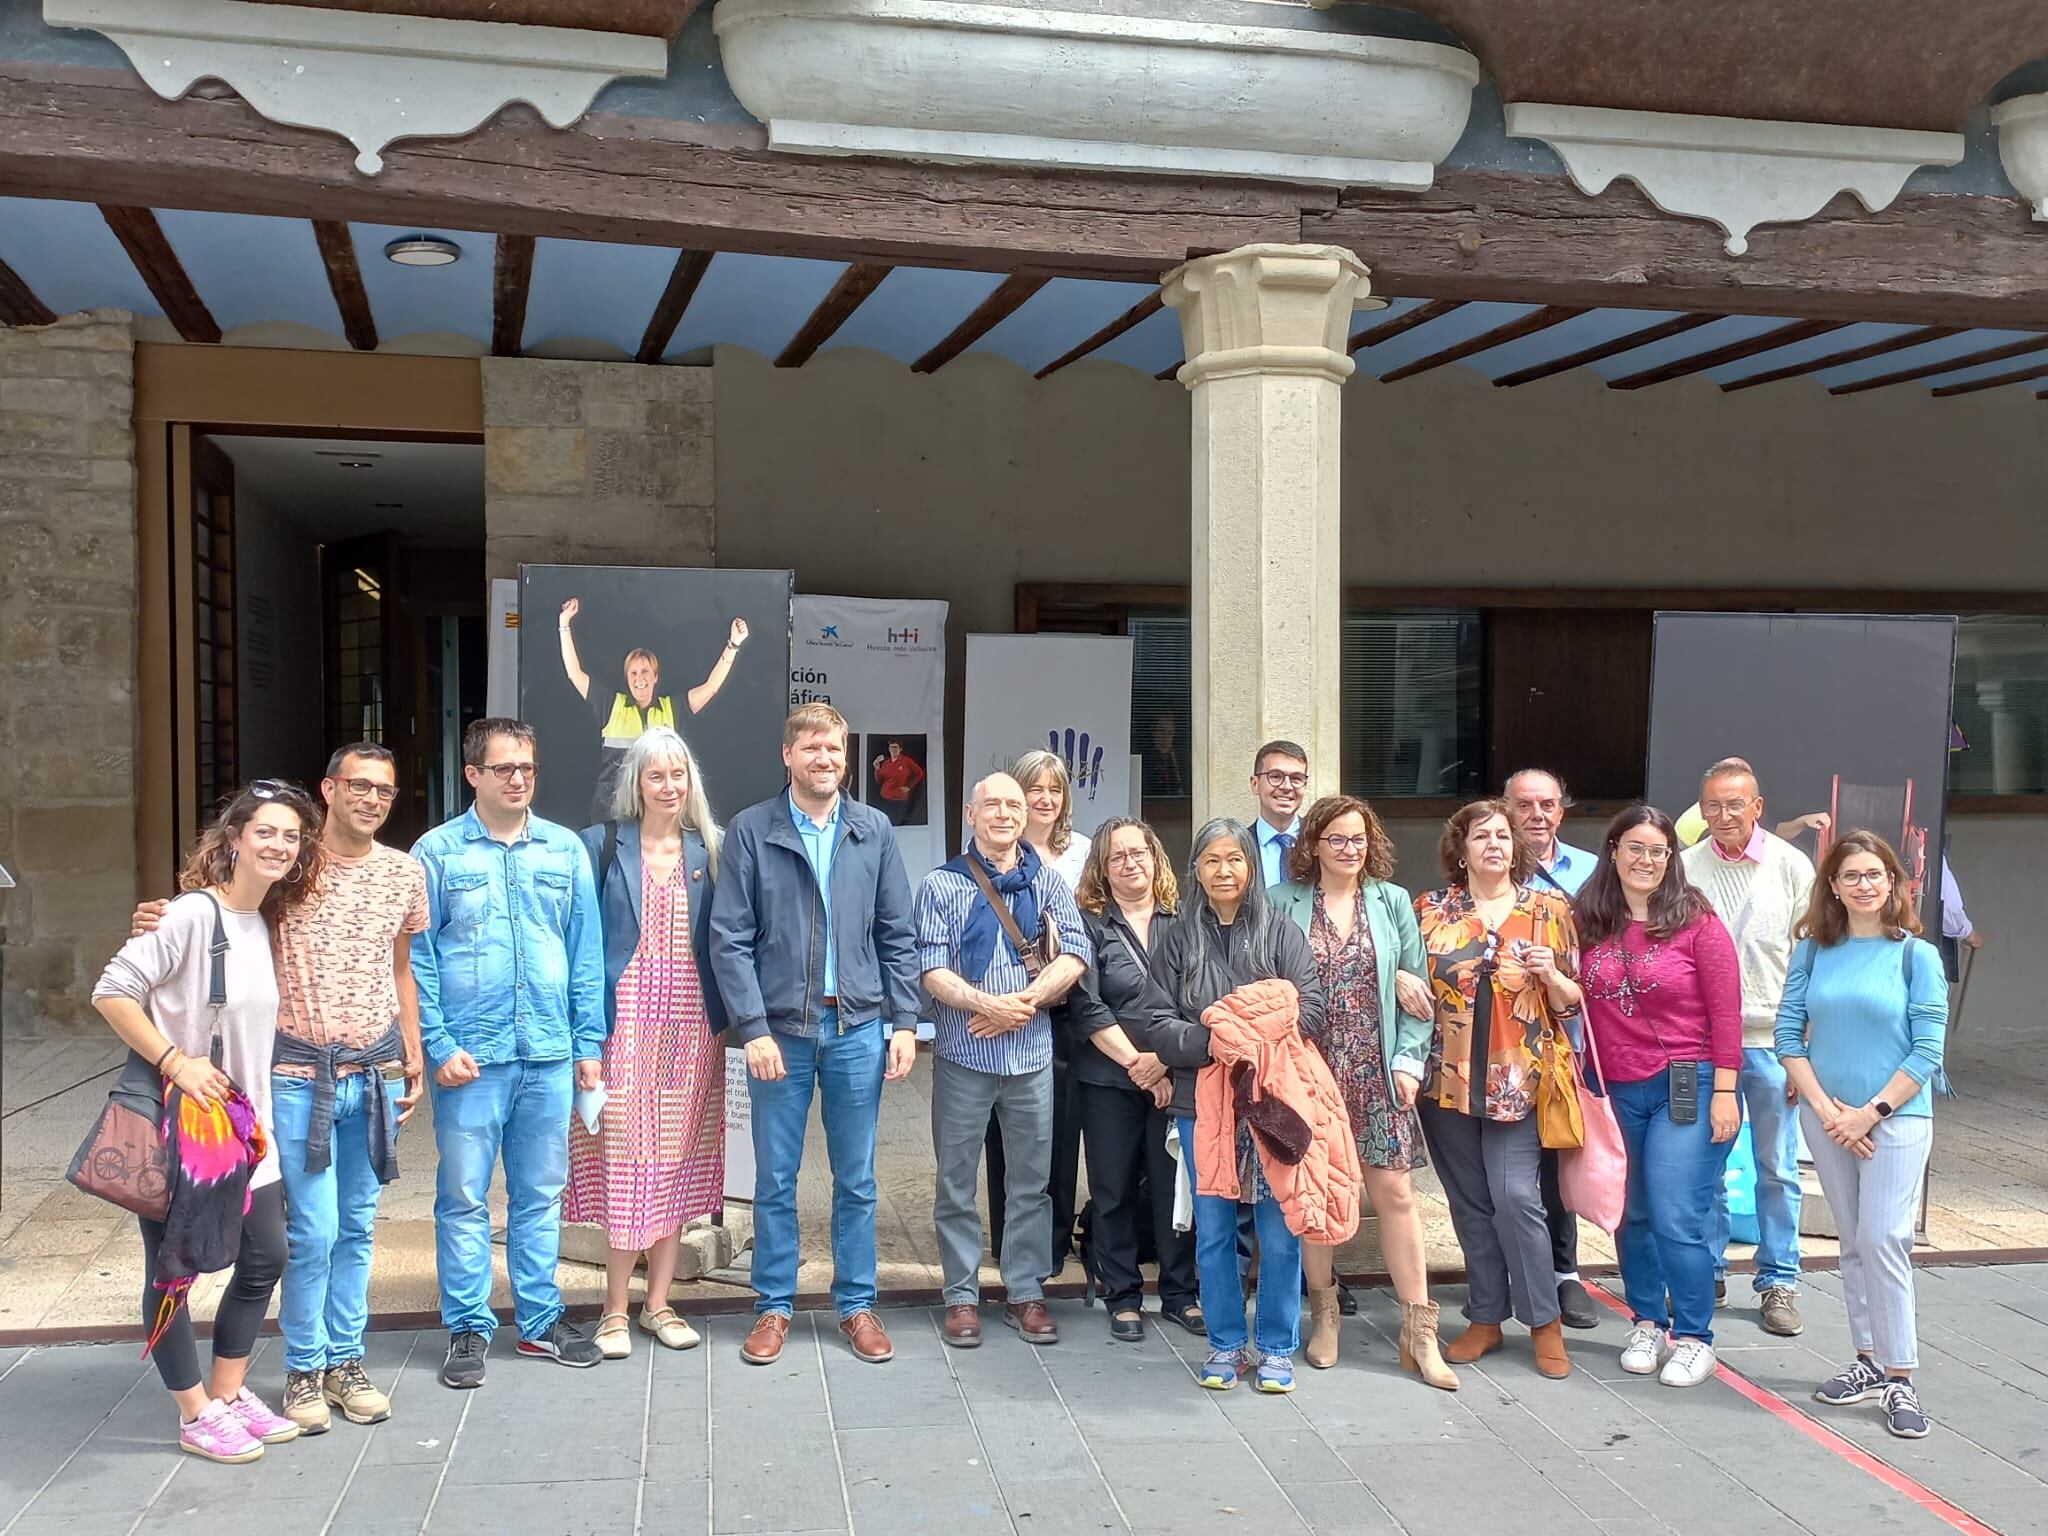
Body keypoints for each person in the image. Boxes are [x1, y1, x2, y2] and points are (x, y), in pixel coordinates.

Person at [130, 745, 431, 1435]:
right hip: (297, 1078)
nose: (372, 799)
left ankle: (345, 1361)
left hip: (375, 1073)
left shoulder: (404, 873)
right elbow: (222, 907)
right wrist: (161, 919)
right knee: (311, 1232)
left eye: (384, 790)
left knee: (357, 1227)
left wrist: (413, 1046)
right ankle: (303, 1367)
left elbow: (401, 965)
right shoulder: (293, 868)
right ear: (329, 789)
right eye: (359, 785)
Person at [92, 782, 324, 1464]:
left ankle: (226, 1394)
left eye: (291, 836)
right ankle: (194, 1413)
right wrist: (176, 1060)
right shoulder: (193, 915)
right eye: (265, 832)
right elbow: (111, 990)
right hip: (185, 1129)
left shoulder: (267, 917)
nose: (279, 845)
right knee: (173, 1273)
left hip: (245, 1129)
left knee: (267, 1256)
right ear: (233, 839)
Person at [709, 703, 922, 1367]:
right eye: (810, 748)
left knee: (856, 1177)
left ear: (846, 756)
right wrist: (752, 1029)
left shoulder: (872, 829)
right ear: (788, 756)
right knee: (775, 1178)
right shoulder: (752, 830)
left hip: (857, 1028)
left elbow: (897, 933)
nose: (823, 759)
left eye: (833, 748)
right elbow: (729, 938)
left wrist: (905, 1022)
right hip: (780, 1032)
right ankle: (773, 1305)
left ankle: (856, 1304)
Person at [412, 718, 607, 1387]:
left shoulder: (564, 849)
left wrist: (588, 1044)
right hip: (472, 1059)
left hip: (549, 1053)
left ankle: (539, 1320)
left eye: (527, 767)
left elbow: (585, 953)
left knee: (541, 1195)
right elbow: (418, 960)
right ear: (473, 774)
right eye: (504, 769)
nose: (519, 779)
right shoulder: (437, 853)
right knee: (464, 1196)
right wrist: (437, 1044)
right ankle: (468, 1327)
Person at [1272, 796, 1457, 1390]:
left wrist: (1408, 1062)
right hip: (1311, 1073)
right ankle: (1325, 1314)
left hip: (1377, 1070)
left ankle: (1419, 1330)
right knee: (1320, 1195)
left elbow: (1419, 995)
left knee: (1395, 1193)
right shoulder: (1282, 902)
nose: (1349, 849)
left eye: (1358, 839)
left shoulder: (1392, 901)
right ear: (1314, 844)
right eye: (1336, 839)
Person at [1777, 830, 1948, 1440]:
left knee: (1884, 1239)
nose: (1864, 884)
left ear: (1894, 882)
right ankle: (1869, 1359)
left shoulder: (1917, 957)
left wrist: (1868, 1114)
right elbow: (1788, 1037)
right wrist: (1829, 1112)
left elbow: (1928, 1050)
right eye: (1851, 875)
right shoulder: (1812, 951)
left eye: (1875, 874)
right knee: (1852, 1241)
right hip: (1827, 1120)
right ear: (1833, 885)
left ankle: (1901, 1376)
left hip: (1895, 1120)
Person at [1148, 819, 1328, 1394]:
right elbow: (1156, 1021)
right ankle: (1226, 1342)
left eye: (1234, 859)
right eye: (1211, 861)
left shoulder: (1281, 932)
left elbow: (1312, 1010)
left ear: (1251, 865)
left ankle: (1276, 1346)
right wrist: (1213, 1042)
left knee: (1279, 1228)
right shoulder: (1177, 937)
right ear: (1195, 870)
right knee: (1214, 1230)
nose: (1224, 871)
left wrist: (1250, 1038)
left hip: (1274, 1099)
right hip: (1201, 1102)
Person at [568, 728, 728, 1359]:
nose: (668, 786)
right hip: (624, 1025)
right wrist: (583, 1034)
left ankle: (658, 1304)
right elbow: (581, 945)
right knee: (626, 1163)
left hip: (691, 1027)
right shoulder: (603, 846)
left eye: (677, 774)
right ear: (635, 782)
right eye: (655, 775)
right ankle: (613, 1308)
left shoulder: (708, 851)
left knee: (676, 1162)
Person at [919, 773, 1090, 1347]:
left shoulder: (1048, 882)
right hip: (964, 1055)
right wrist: (983, 1003)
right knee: (955, 1182)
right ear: (971, 814)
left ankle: (1025, 1291)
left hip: (1031, 1058)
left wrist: (1024, 1003)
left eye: (1013, 805)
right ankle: (961, 1297)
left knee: (1031, 1184)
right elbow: (931, 968)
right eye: (991, 804)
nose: (1004, 813)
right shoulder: (941, 885)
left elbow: (1075, 954)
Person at [1414, 799, 1584, 1379]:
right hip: (1447, 1079)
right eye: (1481, 836)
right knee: (1469, 1202)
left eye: (1503, 836)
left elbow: (1572, 1001)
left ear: (1517, 849)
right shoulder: (1429, 911)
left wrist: (1551, 974)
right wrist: (1404, 982)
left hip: (1521, 1076)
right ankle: (1486, 1316)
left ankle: (1544, 1321)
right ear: (1461, 850)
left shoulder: (1549, 909)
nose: (1494, 845)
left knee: (1515, 1197)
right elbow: (1405, 979)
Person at [1578, 806, 1742, 1389]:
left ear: (1671, 858)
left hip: (1688, 1082)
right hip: (1615, 1086)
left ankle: (1695, 1337)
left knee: (1676, 1213)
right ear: (1614, 850)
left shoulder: (1698, 922)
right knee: (1632, 1212)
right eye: (1636, 848)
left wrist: (1727, 1091)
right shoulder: (1588, 919)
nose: (1646, 860)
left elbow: (1726, 1014)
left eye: (1658, 851)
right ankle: (1647, 1322)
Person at [1678, 758, 1815, 1334]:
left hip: (1771, 1042)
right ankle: (1706, 1272)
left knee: (1776, 1166)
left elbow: (1811, 956)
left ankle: (1779, 1280)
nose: (1724, 815)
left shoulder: (1791, 865)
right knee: (1701, 1164)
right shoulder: (1684, 867)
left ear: (1758, 807)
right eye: (1713, 805)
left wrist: (1802, 1046)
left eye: (1735, 804)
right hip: (1699, 1044)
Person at [1070, 818, 1201, 1339]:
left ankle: (1180, 1293)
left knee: (1174, 1187)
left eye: (1138, 853)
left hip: (1176, 1074)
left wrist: (1164, 1061)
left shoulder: (1186, 919)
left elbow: (1199, 998)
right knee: (1113, 1187)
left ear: (1155, 858)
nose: (1130, 863)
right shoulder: (1088, 925)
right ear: (1102, 868)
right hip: (1108, 1079)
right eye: (1117, 856)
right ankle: (1121, 1294)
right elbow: (1087, 1006)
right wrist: (1139, 1066)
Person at [981, 748, 1090, 1272]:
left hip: (1064, 1009)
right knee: (1002, 1130)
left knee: (1060, 1129)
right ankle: (1007, 1238)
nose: (1045, 799)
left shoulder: (1084, 853)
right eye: (1034, 789)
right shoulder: (995, 851)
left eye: (1055, 789)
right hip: (999, 1010)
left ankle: (1052, 1241)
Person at [1503, 768, 1600, 1330]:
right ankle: (1506, 1275)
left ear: (1562, 810)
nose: (1536, 815)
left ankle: (1566, 1274)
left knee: (1559, 1155)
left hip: (1573, 1040)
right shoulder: (1488, 866)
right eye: (1524, 805)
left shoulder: (1593, 872)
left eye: (1547, 804)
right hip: (1504, 1045)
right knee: (1510, 1170)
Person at [557, 595, 748, 821]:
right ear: (627, 679)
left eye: (645, 671)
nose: (639, 678)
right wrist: (564, 624)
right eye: (633, 673)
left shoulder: (671, 709)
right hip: (611, 812)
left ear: (655, 676)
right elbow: (574, 673)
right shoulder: (612, 705)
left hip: (657, 812)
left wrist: (733, 644)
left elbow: (711, 687)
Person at [1250, 740, 1309, 892]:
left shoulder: (1319, 841)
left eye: (1296, 778)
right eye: (1275, 776)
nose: (1286, 787)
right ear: (1255, 784)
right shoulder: (1239, 845)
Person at [871, 739, 926, 827]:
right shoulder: (886, 763)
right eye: (891, 747)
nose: (893, 749)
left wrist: (909, 786)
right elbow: (880, 780)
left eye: (896, 747)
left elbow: (919, 773)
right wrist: (877, 769)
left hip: (900, 801)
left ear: (900, 749)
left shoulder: (907, 761)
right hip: (885, 799)